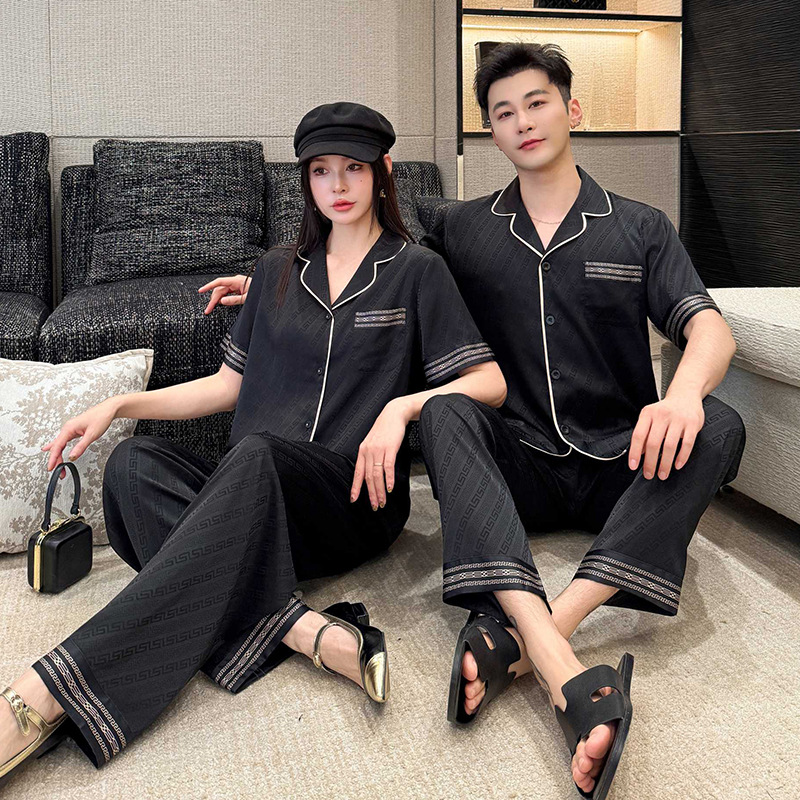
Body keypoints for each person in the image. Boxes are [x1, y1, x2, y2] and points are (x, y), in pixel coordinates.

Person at [0, 102, 505, 785]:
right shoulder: (275, 270)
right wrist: (119, 405)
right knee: (130, 466)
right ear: (305, 180)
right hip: (252, 490)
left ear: (383, 171)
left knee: (255, 453)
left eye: (354, 168)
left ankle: (45, 694)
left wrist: (401, 408)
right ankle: (295, 626)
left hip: (349, 499)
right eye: (320, 171)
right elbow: (224, 387)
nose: (337, 185)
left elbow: (489, 382)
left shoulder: (418, 271)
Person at [415, 43, 746, 799]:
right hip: (519, 464)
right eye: (503, 112)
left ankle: (536, 634)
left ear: (572, 110)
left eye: (536, 103)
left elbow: (709, 329)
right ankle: (557, 658)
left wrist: (683, 396)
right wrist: (278, 276)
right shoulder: (461, 227)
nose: (523, 121)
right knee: (445, 411)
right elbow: (372, 254)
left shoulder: (639, 226)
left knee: (719, 424)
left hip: (621, 465)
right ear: (491, 132)